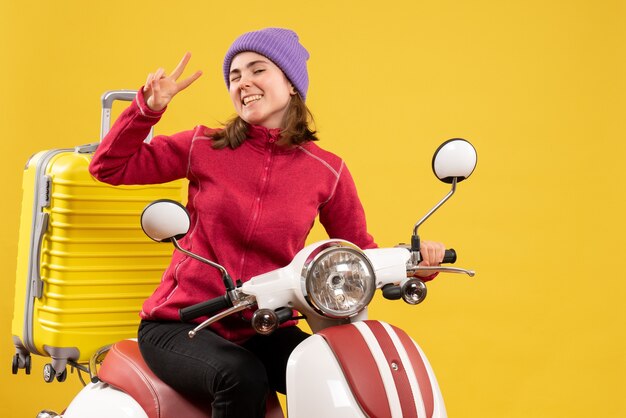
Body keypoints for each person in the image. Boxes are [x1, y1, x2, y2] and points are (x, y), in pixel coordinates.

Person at [89, 27, 446, 418]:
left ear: (291, 84)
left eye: (257, 70)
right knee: (241, 376)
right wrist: (148, 108)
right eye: (235, 76)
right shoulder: (204, 146)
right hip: (181, 324)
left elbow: (359, 251)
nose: (244, 83)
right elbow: (108, 166)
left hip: (263, 325)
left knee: (337, 369)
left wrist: (418, 264)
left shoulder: (327, 171)